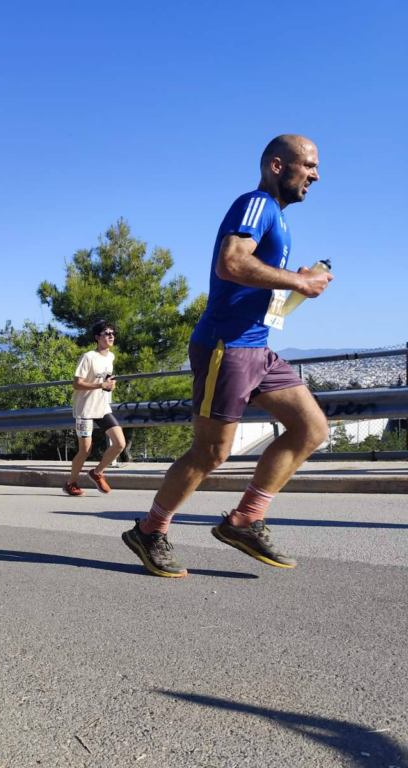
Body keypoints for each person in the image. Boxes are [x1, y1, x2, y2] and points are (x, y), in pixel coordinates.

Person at [122, 135, 332, 578]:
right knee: (210, 453)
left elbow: (249, 273)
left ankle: (245, 520)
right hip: (227, 346)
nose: (315, 174)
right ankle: (150, 529)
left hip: (257, 347)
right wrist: (298, 284)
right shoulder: (255, 203)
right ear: (278, 165)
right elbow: (231, 263)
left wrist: (290, 279)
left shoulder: (277, 216)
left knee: (311, 428)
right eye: (308, 165)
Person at [63, 321, 126, 496]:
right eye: (107, 333)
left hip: (103, 408)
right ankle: (71, 483)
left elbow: (107, 380)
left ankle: (96, 472)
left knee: (120, 444)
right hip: (85, 410)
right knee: (85, 450)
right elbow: (77, 384)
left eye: (113, 333)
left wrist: (110, 385)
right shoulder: (88, 357)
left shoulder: (111, 357)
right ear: (97, 337)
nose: (111, 336)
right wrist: (101, 385)